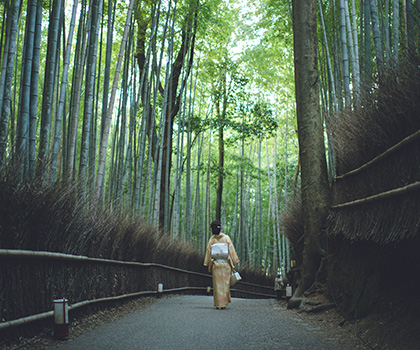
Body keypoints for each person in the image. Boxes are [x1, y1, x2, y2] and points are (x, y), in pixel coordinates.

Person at [204, 220, 239, 309]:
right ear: (221, 228)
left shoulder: (212, 239)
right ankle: (224, 303)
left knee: (217, 286)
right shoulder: (226, 238)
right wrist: (233, 262)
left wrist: (207, 263)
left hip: (216, 264)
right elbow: (231, 250)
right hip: (225, 264)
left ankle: (219, 304)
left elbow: (208, 252)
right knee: (225, 284)